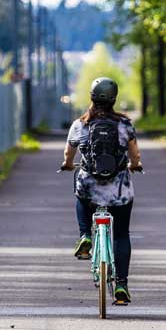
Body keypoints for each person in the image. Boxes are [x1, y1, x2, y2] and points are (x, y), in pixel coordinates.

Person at [60, 77, 143, 304]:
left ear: (91, 97)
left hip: (90, 187)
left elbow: (69, 154)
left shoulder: (80, 124)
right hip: (119, 190)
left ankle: (85, 235)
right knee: (122, 234)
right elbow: (135, 155)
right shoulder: (125, 124)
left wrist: (68, 164)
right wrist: (135, 165)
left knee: (81, 192)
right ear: (114, 99)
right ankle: (122, 286)